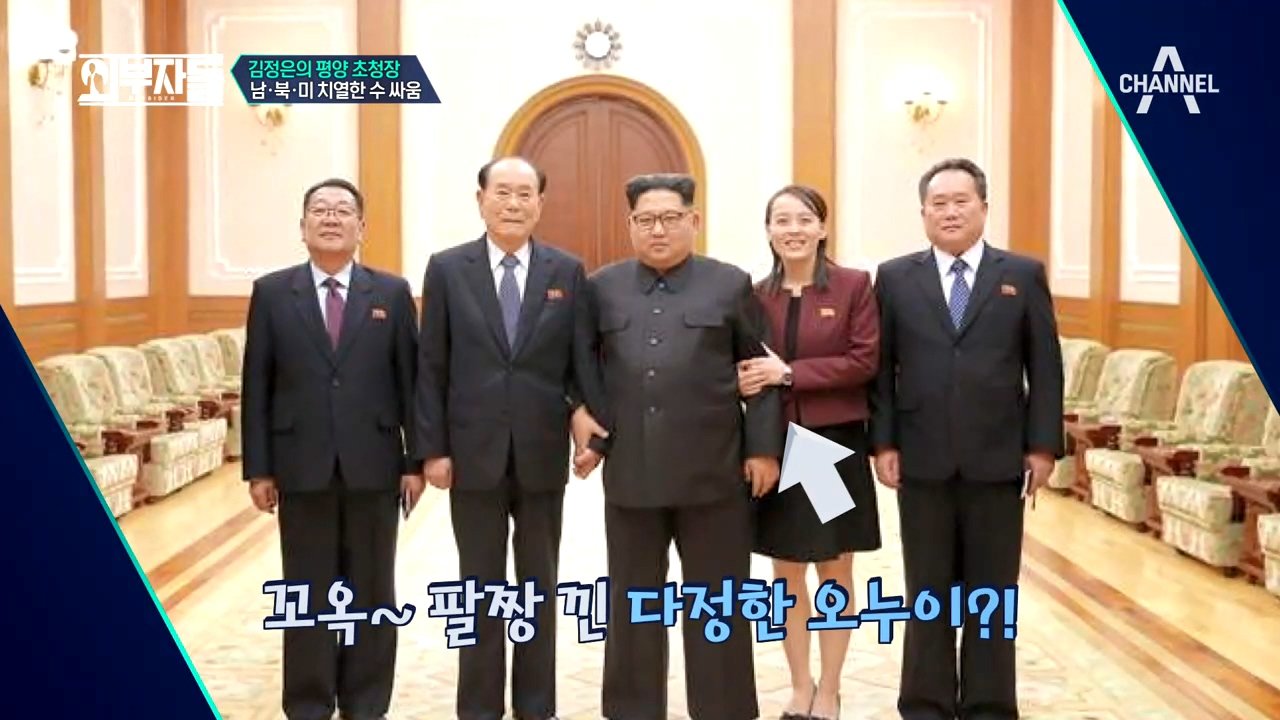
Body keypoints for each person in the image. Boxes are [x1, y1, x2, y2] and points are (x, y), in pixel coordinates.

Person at [574, 172, 782, 720]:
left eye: (670, 218)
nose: (658, 229)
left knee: (718, 605)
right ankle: (632, 710)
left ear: (694, 220)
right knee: (634, 605)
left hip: (714, 475)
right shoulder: (601, 288)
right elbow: (580, 368)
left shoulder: (729, 284)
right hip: (632, 474)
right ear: (631, 225)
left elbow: (760, 370)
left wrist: (763, 450)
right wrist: (581, 417)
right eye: (646, 219)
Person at [869, 158, 1063, 720]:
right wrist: (884, 443)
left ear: (983, 207)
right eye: (939, 203)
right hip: (921, 458)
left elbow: (1044, 367)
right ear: (923, 213)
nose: (950, 212)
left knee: (991, 592)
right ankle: (925, 703)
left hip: (999, 460)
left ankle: (990, 705)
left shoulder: (1021, 274)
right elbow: (881, 371)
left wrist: (1043, 447)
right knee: (926, 591)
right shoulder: (895, 277)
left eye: (961, 201)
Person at [414, 156, 605, 720]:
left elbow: (580, 363)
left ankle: (535, 706)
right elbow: (432, 365)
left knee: (538, 585)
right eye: (503, 192)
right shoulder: (447, 269)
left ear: (540, 204)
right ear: (481, 200)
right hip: (471, 454)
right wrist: (433, 449)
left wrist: (588, 423)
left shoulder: (566, 271)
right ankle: (478, 708)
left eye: (525, 194)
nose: (514, 203)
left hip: (541, 453)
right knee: (479, 586)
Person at [241, 178, 422, 720]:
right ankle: (309, 702)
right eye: (319, 210)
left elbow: (411, 384)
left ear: (361, 228)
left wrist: (414, 462)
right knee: (306, 590)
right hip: (301, 466)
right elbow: (257, 385)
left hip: (375, 466)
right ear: (302, 227)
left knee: (372, 590)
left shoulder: (391, 293)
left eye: (343, 211)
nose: (331, 218)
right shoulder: (273, 293)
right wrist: (259, 468)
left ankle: (366, 702)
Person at [737, 184, 881, 720]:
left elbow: (863, 362)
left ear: (822, 227)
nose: (792, 229)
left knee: (833, 571)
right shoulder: (754, 295)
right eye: (781, 220)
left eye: (803, 219)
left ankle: (830, 689)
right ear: (769, 230)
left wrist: (790, 374)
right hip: (776, 445)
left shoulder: (852, 286)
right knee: (787, 573)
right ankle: (800, 685)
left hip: (828, 446)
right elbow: (743, 364)